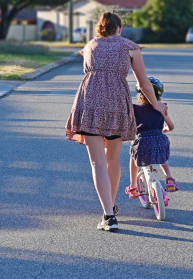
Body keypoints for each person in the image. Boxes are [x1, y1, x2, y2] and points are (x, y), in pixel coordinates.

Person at [65, 12, 165, 232]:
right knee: (113, 159)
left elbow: (88, 61)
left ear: (99, 28)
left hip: (89, 102)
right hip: (117, 104)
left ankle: (108, 214)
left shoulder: (90, 45)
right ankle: (109, 209)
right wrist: (156, 106)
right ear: (119, 29)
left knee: (97, 163)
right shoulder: (130, 47)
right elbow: (144, 83)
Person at [125, 76, 179, 200]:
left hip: (142, 142)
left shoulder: (135, 109)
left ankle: (133, 186)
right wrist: (163, 130)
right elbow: (171, 126)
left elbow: (129, 126)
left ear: (140, 95)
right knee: (162, 154)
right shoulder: (161, 108)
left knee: (133, 157)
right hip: (160, 140)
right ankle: (169, 178)